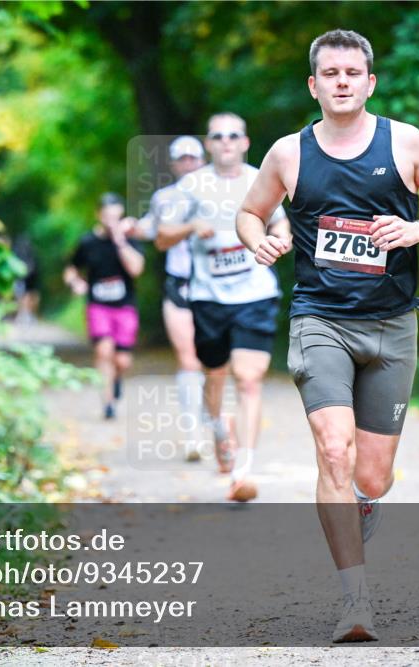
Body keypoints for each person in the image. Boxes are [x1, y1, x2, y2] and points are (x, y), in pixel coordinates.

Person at [236, 29, 419, 642]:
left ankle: (364, 503)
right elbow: (248, 210)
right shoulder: (289, 154)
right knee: (333, 450)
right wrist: (258, 237)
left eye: (352, 73)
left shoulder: (406, 143)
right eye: (330, 73)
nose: (341, 82)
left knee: (373, 475)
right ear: (313, 85)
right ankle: (355, 602)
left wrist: (418, 230)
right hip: (320, 319)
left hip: (393, 325)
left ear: (370, 82)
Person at [157, 112, 290, 500]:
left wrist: (280, 240)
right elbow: (162, 237)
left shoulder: (259, 179)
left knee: (249, 379)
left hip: (255, 294)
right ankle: (218, 429)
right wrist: (188, 227)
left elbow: (281, 223)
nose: (227, 141)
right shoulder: (190, 186)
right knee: (214, 374)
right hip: (208, 298)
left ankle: (243, 472)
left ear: (245, 142)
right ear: (209, 144)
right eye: (218, 136)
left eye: (234, 135)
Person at [139, 136, 207, 462]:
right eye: (183, 159)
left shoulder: (221, 193)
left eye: (194, 157)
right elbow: (154, 231)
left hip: (218, 288)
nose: (189, 163)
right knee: (188, 358)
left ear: (203, 160)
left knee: (218, 361)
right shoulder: (164, 198)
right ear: (173, 163)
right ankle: (193, 432)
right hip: (180, 285)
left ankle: (217, 423)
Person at [64, 193, 145, 420]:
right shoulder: (87, 242)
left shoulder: (129, 239)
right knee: (103, 351)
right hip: (98, 306)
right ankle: (108, 402)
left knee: (122, 360)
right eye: (107, 216)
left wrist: (120, 241)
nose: (111, 220)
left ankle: (116, 378)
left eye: (116, 216)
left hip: (125, 306)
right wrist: (75, 282)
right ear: (99, 215)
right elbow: (71, 268)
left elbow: (137, 269)